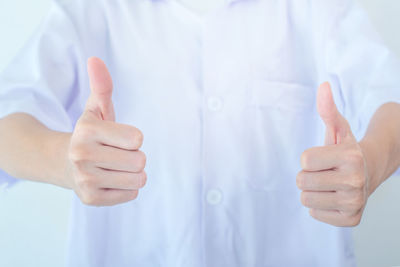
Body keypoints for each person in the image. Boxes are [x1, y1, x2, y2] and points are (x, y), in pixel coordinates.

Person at [0, 0, 399, 266]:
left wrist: (372, 162)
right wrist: (65, 163)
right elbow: (7, 124)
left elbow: (390, 98)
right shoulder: (89, 10)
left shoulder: (321, 8)